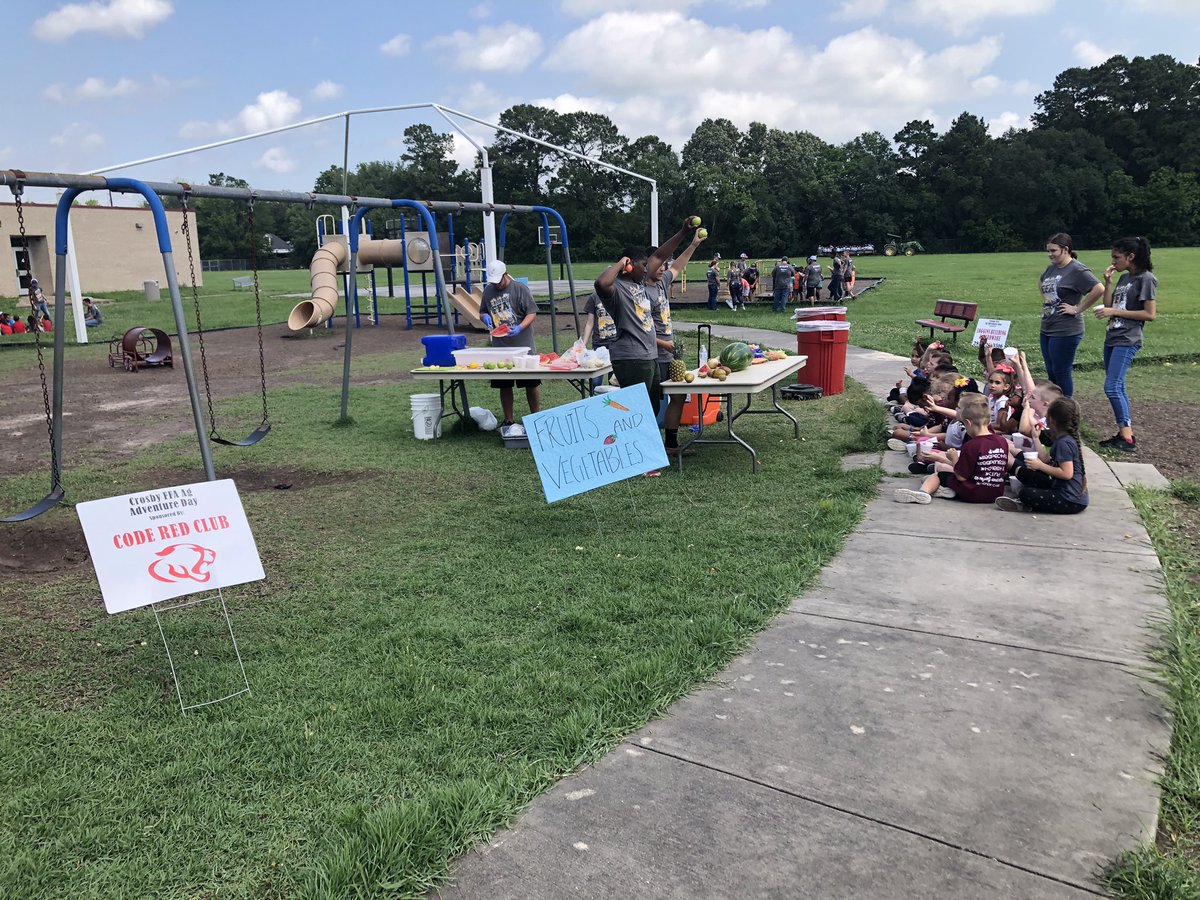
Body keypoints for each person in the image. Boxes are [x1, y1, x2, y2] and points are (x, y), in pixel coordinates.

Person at [593, 217, 700, 456]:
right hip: (631, 356)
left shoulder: (640, 284)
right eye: (642, 265)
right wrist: (621, 262)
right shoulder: (617, 289)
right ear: (630, 266)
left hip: (648, 354)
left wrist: (683, 233)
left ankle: (646, 453)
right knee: (637, 408)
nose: (648, 268)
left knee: (650, 407)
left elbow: (661, 256)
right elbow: (601, 282)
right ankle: (636, 454)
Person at [1095, 236, 1157, 453]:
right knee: (1117, 386)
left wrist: (1114, 312)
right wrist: (1109, 282)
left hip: (1128, 338)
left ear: (1131, 257)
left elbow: (1149, 314)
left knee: (1111, 386)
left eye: (1116, 257)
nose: (1113, 261)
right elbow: (1108, 304)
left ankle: (1128, 438)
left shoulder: (1146, 279)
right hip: (1113, 337)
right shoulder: (1124, 278)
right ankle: (1124, 433)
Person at [649, 228, 707, 457]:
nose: (664, 267)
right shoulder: (641, 292)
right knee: (650, 402)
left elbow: (677, 265)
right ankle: (648, 448)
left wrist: (693, 245)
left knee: (679, 396)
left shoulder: (662, 283)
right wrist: (664, 344)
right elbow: (639, 331)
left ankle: (671, 445)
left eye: (664, 264)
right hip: (652, 355)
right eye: (659, 263)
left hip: (669, 354)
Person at [894, 393, 1008, 504]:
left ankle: (923, 492)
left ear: (968, 423)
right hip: (995, 493)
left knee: (938, 476)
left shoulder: (971, 445)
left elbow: (962, 476)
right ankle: (945, 491)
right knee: (934, 477)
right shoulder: (1002, 441)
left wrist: (953, 460)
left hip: (973, 493)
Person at [997, 397, 1088, 514]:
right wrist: (1035, 437)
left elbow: (1067, 474)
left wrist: (1039, 466)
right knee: (1024, 472)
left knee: (1026, 494)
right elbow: (1045, 459)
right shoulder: (1063, 438)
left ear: (1051, 420)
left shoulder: (1063, 443)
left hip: (1070, 500)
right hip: (1061, 489)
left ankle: (1024, 504)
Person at [1038, 232, 1102, 397]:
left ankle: (1067, 410)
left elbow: (1098, 288)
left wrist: (1077, 308)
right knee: (1051, 371)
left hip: (1066, 329)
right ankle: (1053, 407)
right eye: (1048, 251)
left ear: (1065, 249)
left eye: (1053, 251)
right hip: (1047, 327)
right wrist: (1047, 299)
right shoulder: (1051, 268)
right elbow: (1042, 281)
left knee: (1061, 371)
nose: (1050, 254)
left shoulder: (1077, 270)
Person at [479, 260, 539, 430]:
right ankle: (508, 419)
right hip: (500, 348)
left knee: (531, 383)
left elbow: (532, 313)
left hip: (523, 346)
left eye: (499, 281)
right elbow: (482, 311)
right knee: (504, 385)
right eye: (494, 282)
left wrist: (520, 327)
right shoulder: (488, 291)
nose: (497, 285)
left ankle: (535, 416)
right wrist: (484, 317)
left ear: (506, 274)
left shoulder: (520, 289)